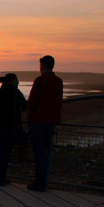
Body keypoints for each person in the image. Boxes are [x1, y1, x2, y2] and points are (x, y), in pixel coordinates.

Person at [26, 55, 63, 191]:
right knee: (46, 151)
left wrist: (28, 116)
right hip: (51, 120)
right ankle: (43, 180)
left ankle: (40, 182)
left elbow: (33, 100)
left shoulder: (40, 80)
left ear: (42, 66)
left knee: (39, 152)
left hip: (38, 121)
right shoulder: (58, 81)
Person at [0, 73, 27, 186]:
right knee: (6, 153)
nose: (18, 82)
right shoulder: (15, 93)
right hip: (11, 126)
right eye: (17, 80)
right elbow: (25, 106)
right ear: (12, 81)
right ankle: (1, 177)